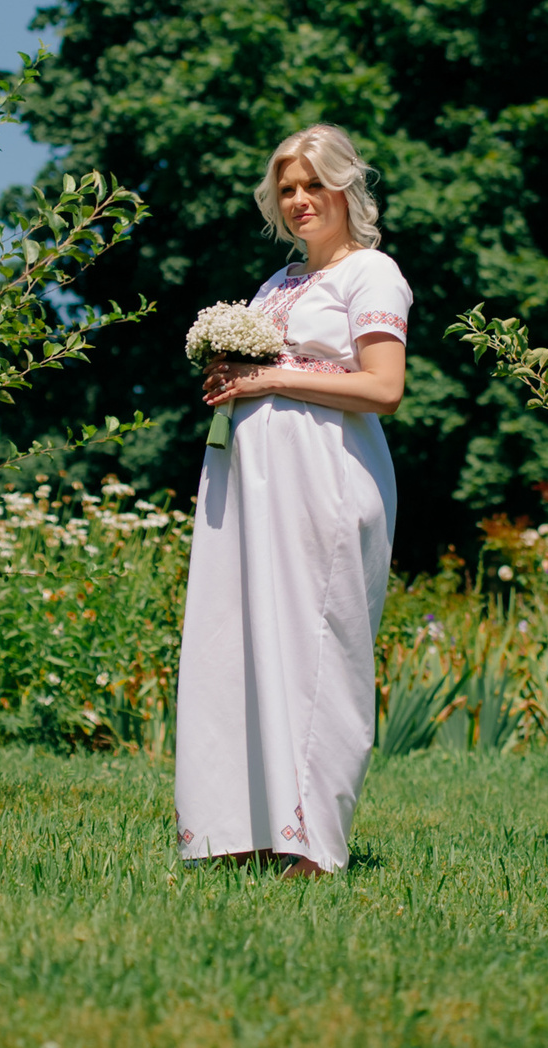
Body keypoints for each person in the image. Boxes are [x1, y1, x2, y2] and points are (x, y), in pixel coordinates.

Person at [175, 123, 411, 877]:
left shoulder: (371, 274)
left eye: (314, 184)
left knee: (317, 647)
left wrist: (271, 378)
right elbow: (258, 373)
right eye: (288, 189)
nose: (301, 200)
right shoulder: (276, 285)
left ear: (347, 188)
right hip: (251, 481)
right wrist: (228, 381)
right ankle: (239, 828)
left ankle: (312, 843)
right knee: (240, 642)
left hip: (327, 477)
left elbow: (383, 389)